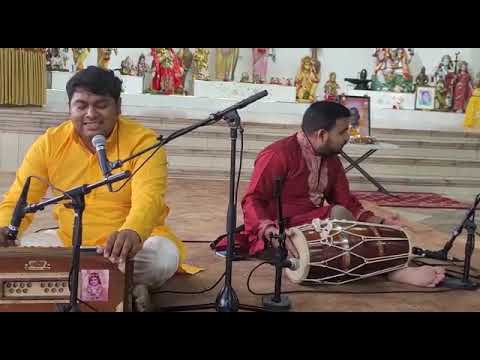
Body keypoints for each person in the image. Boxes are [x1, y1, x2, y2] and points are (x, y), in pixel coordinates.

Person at [0, 66, 186, 311]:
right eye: (81, 105)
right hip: (71, 240)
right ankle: (122, 286)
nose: (90, 114)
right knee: (27, 254)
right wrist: (5, 229)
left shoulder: (143, 142)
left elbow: (148, 198)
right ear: (70, 108)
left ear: (118, 107)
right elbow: (19, 199)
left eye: (101, 105)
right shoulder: (50, 143)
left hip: (129, 245)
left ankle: (105, 282)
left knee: (161, 258)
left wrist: (133, 231)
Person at [239, 101, 445, 288]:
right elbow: (252, 199)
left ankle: (389, 265)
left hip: (316, 226)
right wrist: (272, 232)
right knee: (337, 214)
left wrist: (379, 222)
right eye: (343, 131)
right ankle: (391, 271)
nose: (348, 137)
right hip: (282, 232)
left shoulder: (331, 160)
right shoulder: (278, 154)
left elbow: (347, 201)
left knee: (343, 216)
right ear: (322, 134)